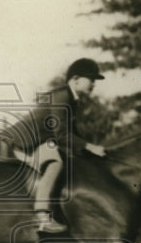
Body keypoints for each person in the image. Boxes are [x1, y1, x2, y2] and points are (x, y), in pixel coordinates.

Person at [11, 58, 107, 233]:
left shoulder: (72, 99)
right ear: (76, 79)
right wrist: (89, 147)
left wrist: (88, 149)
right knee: (57, 162)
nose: (93, 83)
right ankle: (42, 217)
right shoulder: (62, 96)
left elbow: (73, 133)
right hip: (24, 143)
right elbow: (61, 133)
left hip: (38, 142)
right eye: (91, 79)